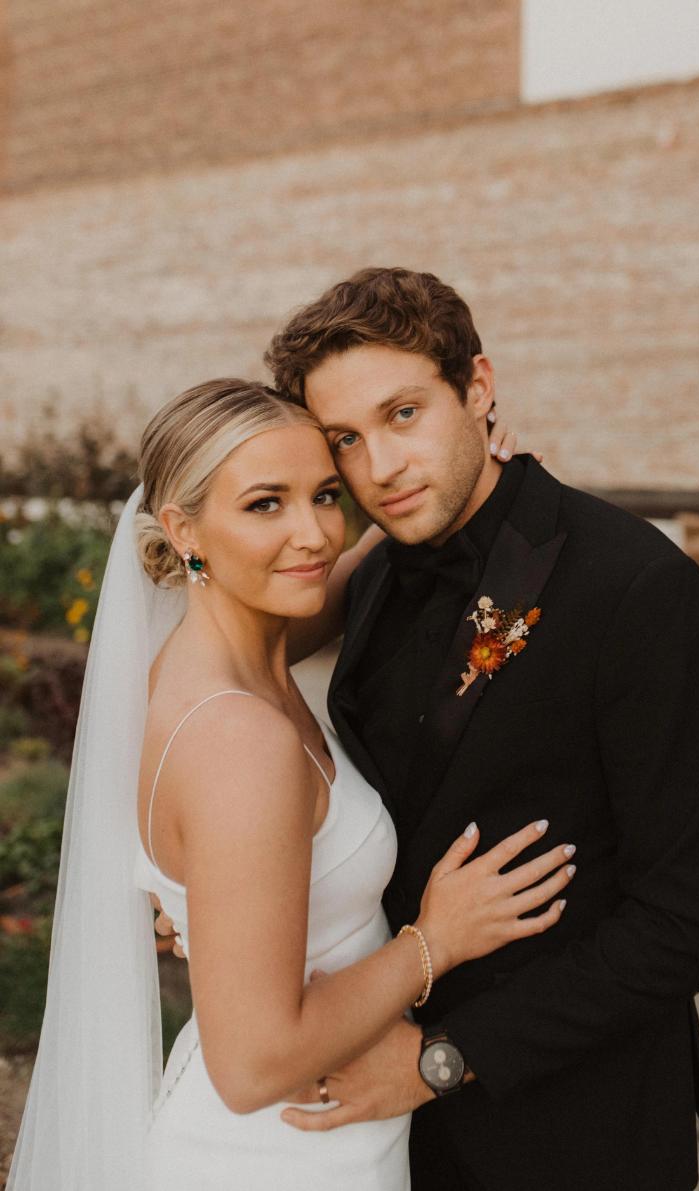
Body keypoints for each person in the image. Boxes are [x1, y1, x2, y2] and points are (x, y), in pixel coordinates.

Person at [7, 379, 575, 1191]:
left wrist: (457, 485)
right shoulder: (242, 739)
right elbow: (254, 1063)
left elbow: (359, 572)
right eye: (265, 503)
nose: (312, 535)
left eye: (325, 496)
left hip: (311, 1141)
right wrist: (436, 939)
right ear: (183, 528)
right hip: (275, 1155)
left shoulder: (222, 650)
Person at [258, 268, 699, 1191]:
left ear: (478, 387)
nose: (380, 467)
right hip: (388, 1132)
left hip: (577, 1133)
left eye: (404, 413)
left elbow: (690, 919)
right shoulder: (372, 575)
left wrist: (442, 1058)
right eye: (346, 440)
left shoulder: (638, 588)